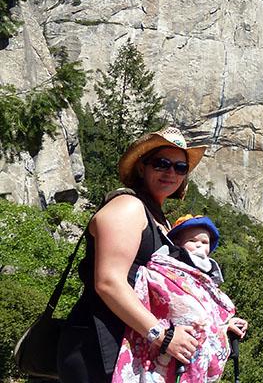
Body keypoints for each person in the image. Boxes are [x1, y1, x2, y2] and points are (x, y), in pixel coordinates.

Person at [58, 126, 207, 383]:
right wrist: (163, 336)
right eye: (161, 163)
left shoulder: (160, 221)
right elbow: (108, 282)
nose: (171, 172)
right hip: (99, 347)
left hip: (127, 349)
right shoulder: (127, 207)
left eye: (180, 168)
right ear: (142, 167)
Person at [111, 214, 246, 382]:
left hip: (190, 357)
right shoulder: (163, 268)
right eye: (192, 240)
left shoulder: (207, 281)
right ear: (178, 243)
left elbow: (207, 312)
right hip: (166, 349)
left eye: (204, 242)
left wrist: (225, 325)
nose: (199, 245)